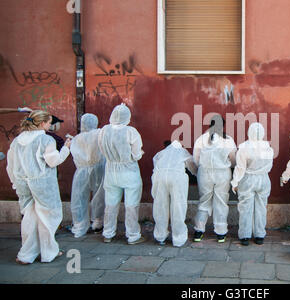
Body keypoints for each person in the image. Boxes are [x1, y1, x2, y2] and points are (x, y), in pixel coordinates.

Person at [6, 110, 71, 264]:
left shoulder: (17, 140)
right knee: (48, 217)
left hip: (22, 183)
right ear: (42, 123)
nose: (50, 125)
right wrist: (66, 148)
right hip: (42, 183)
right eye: (49, 122)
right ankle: (48, 253)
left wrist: (15, 182)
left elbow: (11, 165)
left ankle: (26, 254)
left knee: (29, 217)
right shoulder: (45, 140)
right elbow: (53, 161)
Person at [98, 103, 145, 245]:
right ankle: (133, 235)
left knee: (110, 204)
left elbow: (101, 149)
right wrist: (138, 154)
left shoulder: (103, 130)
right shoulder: (131, 131)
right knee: (131, 205)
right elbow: (136, 155)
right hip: (129, 171)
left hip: (111, 170)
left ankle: (108, 233)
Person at [192, 115, 237, 243]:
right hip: (223, 174)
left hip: (204, 174)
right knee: (221, 203)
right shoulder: (228, 140)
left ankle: (198, 232)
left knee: (204, 201)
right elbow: (234, 159)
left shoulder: (201, 139)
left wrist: (200, 170)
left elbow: (195, 159)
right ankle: (221, 233)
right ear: (222, 125)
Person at [231, 122, 274, 246]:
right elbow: (269, 166)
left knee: (245, 208)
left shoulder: (244, 148)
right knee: (261, 207)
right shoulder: (268, 148)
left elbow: (240, 168)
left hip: (248, 179)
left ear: (249, 132)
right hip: (264, 179)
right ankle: (259, 235)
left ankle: (245, 236)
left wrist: (235, 182)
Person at [151, 140, 197, 247]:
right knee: (178, 207)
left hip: (160, 176)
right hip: (177, 177)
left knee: (160, 206)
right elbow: (192, 165)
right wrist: (196, 174)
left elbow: (155, 164)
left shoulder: (161, 153)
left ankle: (160, 236)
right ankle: (178, 239)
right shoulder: (182, 151)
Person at [69, 113, 106, 238]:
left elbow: (74, 155)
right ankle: (98, 221)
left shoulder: (76, 138)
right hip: (99, 167)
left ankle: (79, 225)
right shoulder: (99, 134)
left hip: (81, 170)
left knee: (79, 197)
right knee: (99, 195)